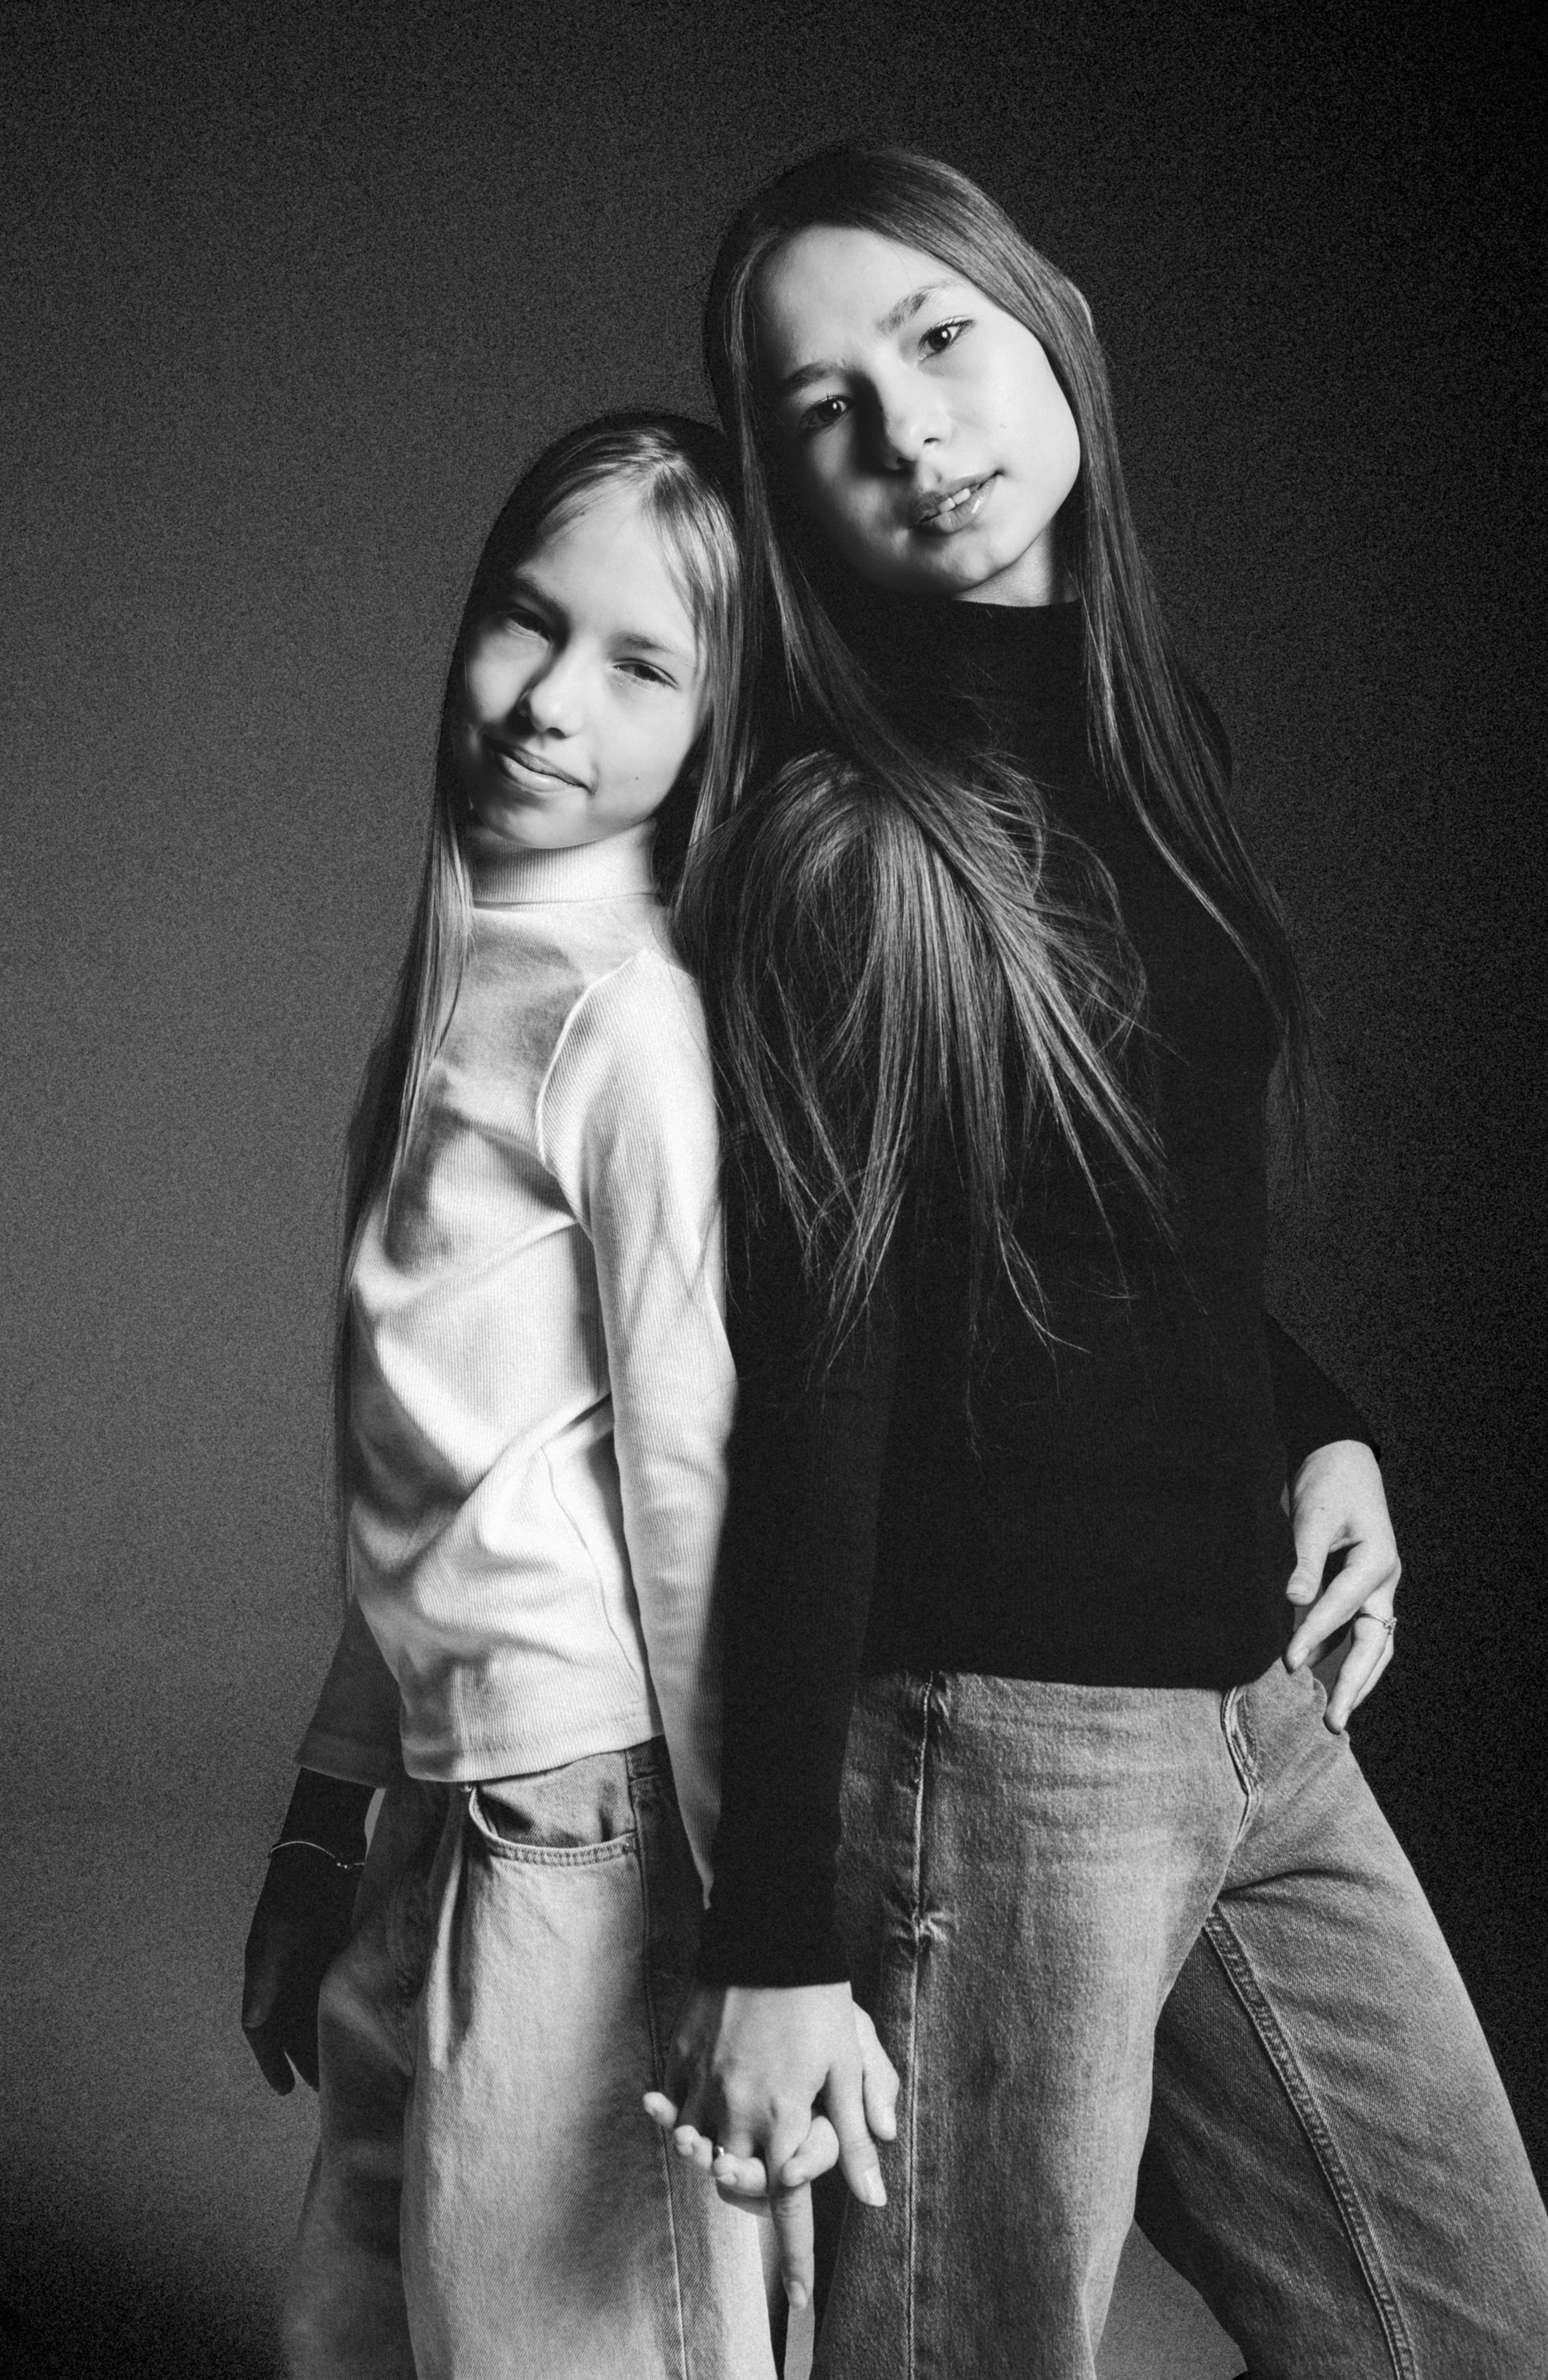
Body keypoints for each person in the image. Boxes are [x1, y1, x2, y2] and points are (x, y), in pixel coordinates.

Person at [649, 149, 1548, 2379]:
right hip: (1003, 1748)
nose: (911, 433)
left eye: (938, 339)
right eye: (826, 415)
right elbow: (820, 1386)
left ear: (1048, 323)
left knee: (1481, 2341)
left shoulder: (1149, 743)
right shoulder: (848, 844)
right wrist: (775, 1936)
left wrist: (1320, 1425)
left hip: (1256, 1705)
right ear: (791, 500)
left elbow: (1122, 1222)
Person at [241, 412, 798, 2380]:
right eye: (525, 620)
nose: (552, 698)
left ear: (715, 730)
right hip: (449, 1789)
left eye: (642, 665)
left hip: (588, 1815)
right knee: (360, 2317)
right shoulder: (467, 986)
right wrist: (323, 1825)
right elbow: (430, 1485)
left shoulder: (625, 1019)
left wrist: (757, 1919)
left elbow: (687, 1476)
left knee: (561, 2335)